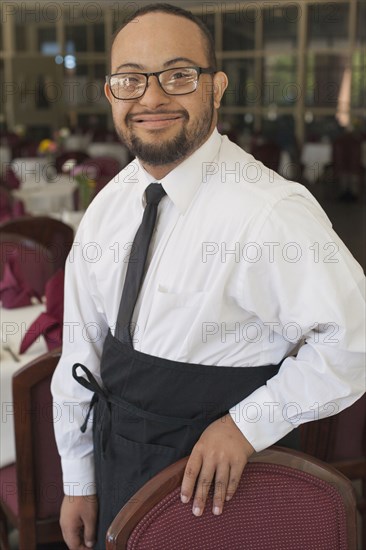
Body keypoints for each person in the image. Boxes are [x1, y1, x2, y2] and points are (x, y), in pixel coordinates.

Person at [51, 4, 365, 549]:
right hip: (116, 462)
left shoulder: (269, 210)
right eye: (131, 79)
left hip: (222, 488)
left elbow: (354, 340)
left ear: (216, 87)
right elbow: (82, 348)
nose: (151, 98)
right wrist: (79, 480)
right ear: (111, 93)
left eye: (178, 75)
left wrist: (245, 426)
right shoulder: (108, 206)